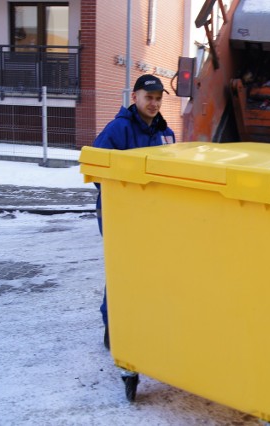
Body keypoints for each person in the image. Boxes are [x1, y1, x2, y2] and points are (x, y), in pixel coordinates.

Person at [92, 74, 176, 350]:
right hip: (119, 212)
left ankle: (142, 322)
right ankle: (113, 325)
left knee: (150, 268)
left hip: (152, 213)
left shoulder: (166, 132)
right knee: (122, 268)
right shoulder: (119, 129)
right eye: (148, 98)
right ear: (134, 97)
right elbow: (96, 168)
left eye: (158, 99)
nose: (154, 104)